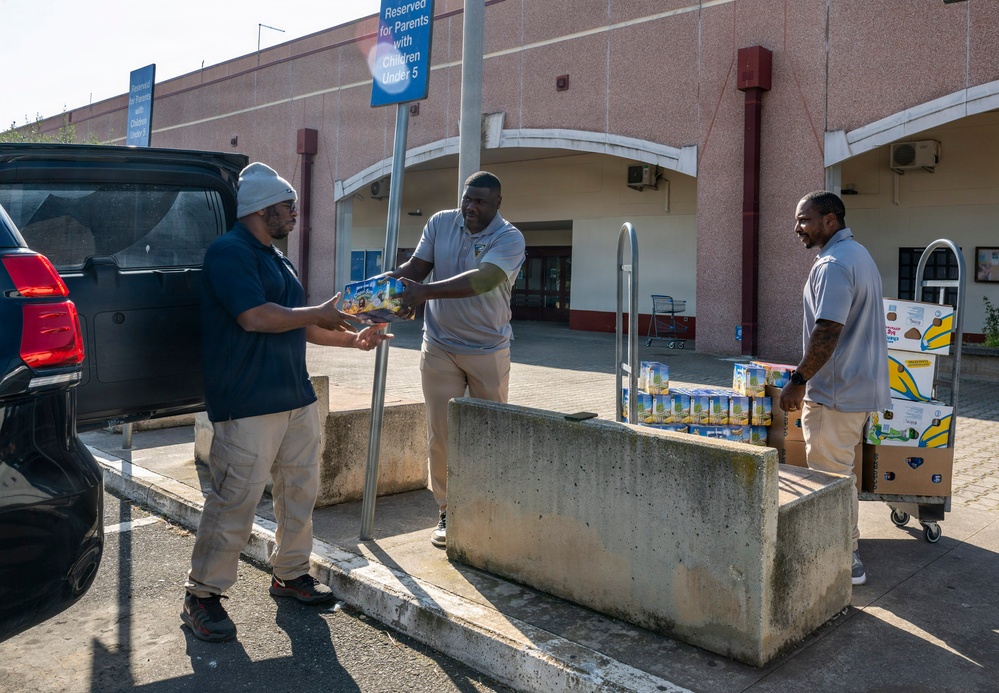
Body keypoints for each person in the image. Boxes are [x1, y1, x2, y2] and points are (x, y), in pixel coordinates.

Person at [182, 162, 392, 643]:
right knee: (235, 499)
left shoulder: (277, 257)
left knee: (300, 490)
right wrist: (320, 310)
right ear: (262, 209)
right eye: (288, 206)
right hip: (247, 400)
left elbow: (303, 322)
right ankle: (202, 595)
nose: (295, 213)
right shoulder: (229, 252)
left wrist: (354, 339)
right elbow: (255, 317)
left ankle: (290, 573)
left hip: (295, 394)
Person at [390, 171, 526, 548]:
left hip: (488, 349)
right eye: (467, 199)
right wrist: (386, 286)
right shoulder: (440, 223)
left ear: (497, 203)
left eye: (480, 201)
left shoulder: (509, 237)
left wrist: (423, 293)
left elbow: (483, 280)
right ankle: (448, 510)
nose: (471, 207)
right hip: (439, 345)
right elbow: (416, 269)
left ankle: (489, 508)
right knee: (441, 433)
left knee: (490, 432)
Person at [779, 190, 889, 587]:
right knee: (840, 470)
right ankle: (844, 546)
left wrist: (798, 381)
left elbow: (828, 329)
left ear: (830, 220)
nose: (797, 228)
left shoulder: (834, 264)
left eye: (804, 220)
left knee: (831, 478)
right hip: (856, 387)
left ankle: (845, 556)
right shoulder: (858, 254)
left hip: (836, 392)